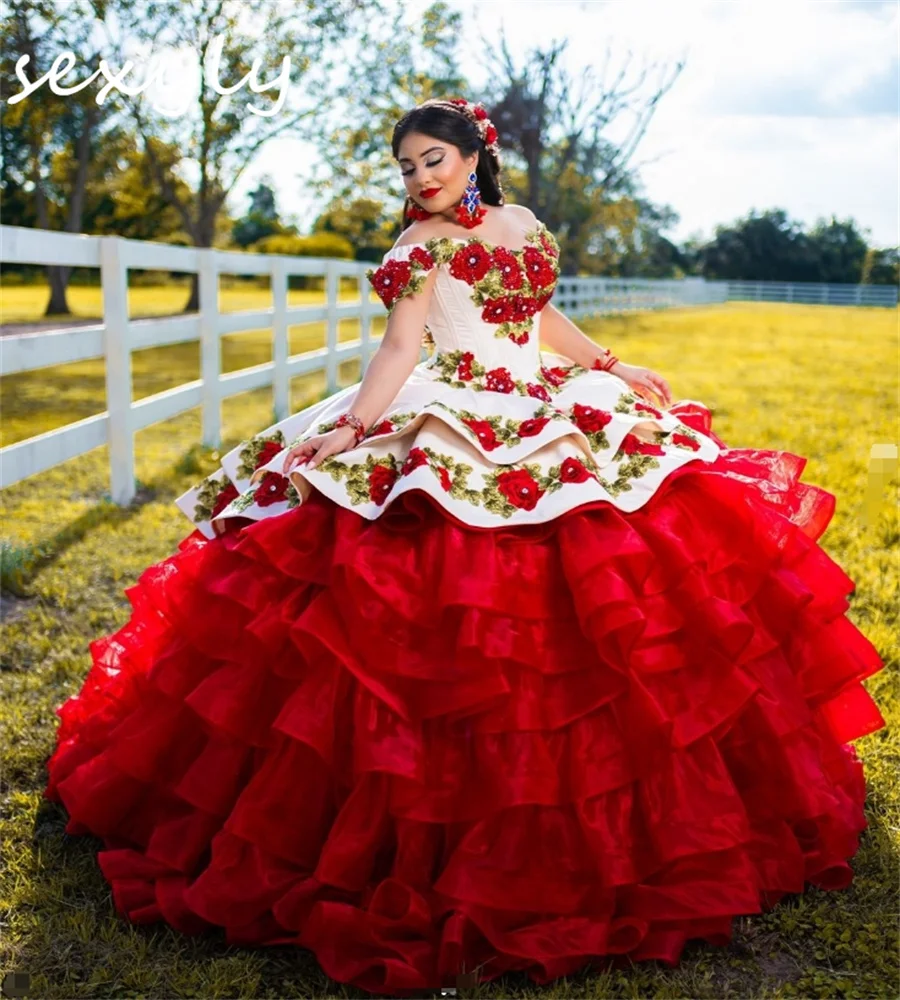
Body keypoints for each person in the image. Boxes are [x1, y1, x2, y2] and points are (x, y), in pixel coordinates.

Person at [43, 97, 887, 997]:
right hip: (446, 404)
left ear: (478, 151)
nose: (420, 178)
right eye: (406, 167)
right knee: (415, 586)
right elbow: (402, 346)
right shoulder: (417, 247)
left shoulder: (524, 223)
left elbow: (538, 325)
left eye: (432, 158)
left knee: (634, 563)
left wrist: (609, 367)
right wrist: (357, 428)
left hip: (540, 402)